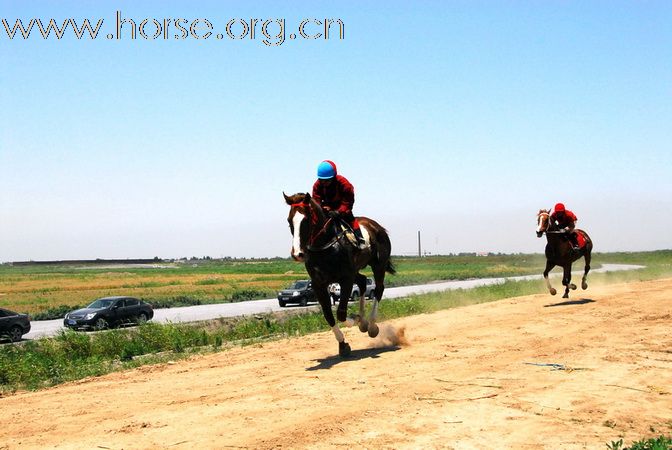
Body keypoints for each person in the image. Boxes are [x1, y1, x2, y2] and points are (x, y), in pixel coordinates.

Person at [312, 160, 367, 250]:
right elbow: (316, 201)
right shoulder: (317, 185)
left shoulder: (344, 184)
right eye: (322, 180)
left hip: (342, 208)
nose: (324, 183)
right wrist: (322, 209)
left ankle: (360, 240)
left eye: (327, 180)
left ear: (333, 177)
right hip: (327, 209)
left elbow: (348, 202)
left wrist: (338, 211)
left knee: (351, 219)